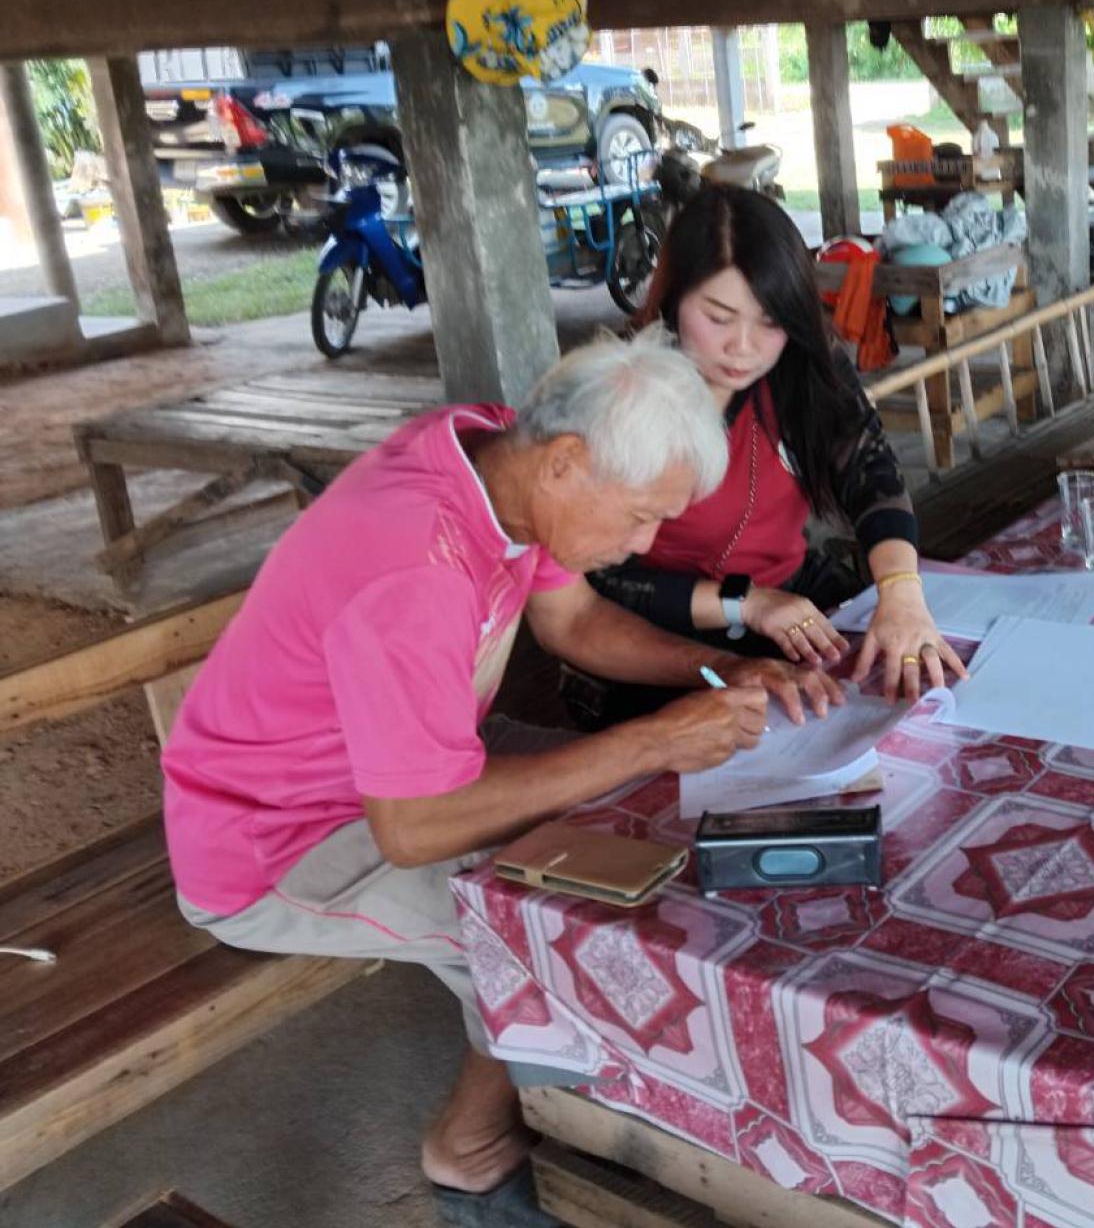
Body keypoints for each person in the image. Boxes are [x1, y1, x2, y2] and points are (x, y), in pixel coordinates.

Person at [161, 338, 840, 1226]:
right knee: (544, 934)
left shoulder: (496, 456)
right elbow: (413, 828)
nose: (644, 545)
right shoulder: (416, 564)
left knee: (643, 832)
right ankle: (473, 1155)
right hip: (283, 835)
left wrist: (719, 670)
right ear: (565, 463)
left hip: (416, 762)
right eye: (640, 518)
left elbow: (576, 620)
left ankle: (609, 1096)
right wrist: (653, 740)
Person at [569, 184, 964, 722]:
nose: (744, 346)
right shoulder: (619, 391)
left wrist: (900, 593)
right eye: (719, 317)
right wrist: (746, 603)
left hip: (789, 602)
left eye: (771, 320)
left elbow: (869, 472)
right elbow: (597, 585)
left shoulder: (802, 365)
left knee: (916, 686)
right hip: (665, 633)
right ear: (673, 300)